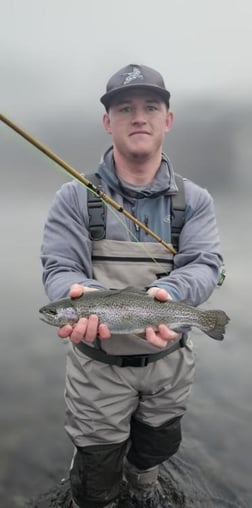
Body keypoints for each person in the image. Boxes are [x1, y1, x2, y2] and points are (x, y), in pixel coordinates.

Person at [41, 63, 223, 508]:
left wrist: (172, 296)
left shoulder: (195, 200)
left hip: (169, 360)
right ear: (108, 122)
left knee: (156, 447)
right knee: (97, 475)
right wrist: (79, 294)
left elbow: (206, 263)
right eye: (125, 108)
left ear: (167, 120)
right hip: (96, 368)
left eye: (150, 107)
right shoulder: (73, 197)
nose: (138, 117)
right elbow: (59, 267)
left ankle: (143, 480)